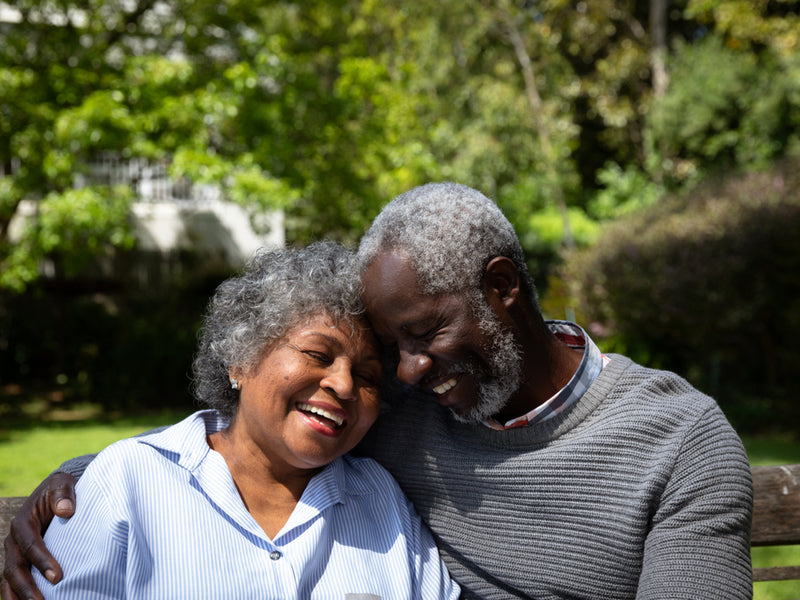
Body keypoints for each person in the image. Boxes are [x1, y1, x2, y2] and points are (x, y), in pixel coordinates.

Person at [3, 183, 752, 600]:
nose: (404, 374)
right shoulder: (405, 410)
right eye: (391, 351)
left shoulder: (678, 440)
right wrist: (81, 483)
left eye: (423, 335)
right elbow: (250, 431)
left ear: (501, 289)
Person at [10, 242, 459, 599]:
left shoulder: (381, 498)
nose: (343, 385)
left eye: (367, 376)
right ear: (241, 361)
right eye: (316, 354)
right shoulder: (128, 482)